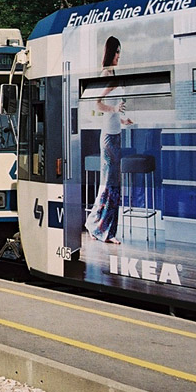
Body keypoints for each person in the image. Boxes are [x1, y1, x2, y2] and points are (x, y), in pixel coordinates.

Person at [85, 36, 133, 244]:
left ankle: (102, 227)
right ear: (110, 52)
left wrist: (122, 119)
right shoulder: (106, 74)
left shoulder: (113, 74)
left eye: (120, 52)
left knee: (113, 184)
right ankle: (101, 228)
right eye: (117, 52)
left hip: (115, 133)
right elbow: (96, 104)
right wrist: (115, 109)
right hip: (108, 137)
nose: (119, 56)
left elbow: (111, 110)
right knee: (110, 184)